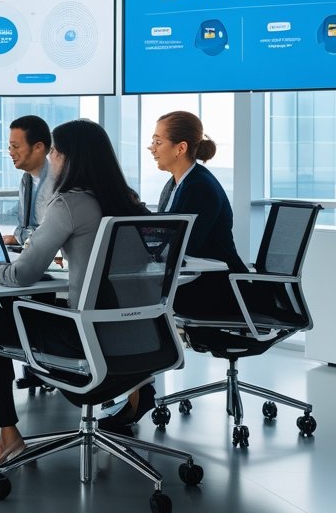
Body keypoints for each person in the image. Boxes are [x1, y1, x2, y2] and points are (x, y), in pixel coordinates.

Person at [0, 119, 148, 480]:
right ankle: (5, 436)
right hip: (137, 337)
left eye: (55, 151)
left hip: (84, 338)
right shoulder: (130, 203)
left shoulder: (70, 204)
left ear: (71, 159)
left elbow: (21, 274)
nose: (52, 159)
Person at [95, 109, 252, 434]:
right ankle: (137, 387)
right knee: (122, 300)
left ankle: (137, 390)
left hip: (218, 291)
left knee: (125, 304)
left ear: (180, 147)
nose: (152, 148)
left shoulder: (199, 187)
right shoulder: (176, 184)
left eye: (157, 141)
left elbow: (179, 245)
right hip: (196, 283)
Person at [3, 115, 56, 246]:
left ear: (38, 147)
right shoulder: (26, 180)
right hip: (31, 250)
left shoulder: (58, 181)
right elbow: (25, 225)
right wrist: (18, 238)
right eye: (10, 147)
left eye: (15, 146)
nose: (11, 152)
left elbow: (50, 232)